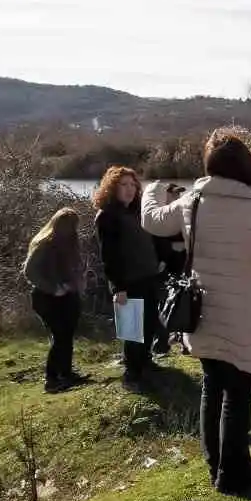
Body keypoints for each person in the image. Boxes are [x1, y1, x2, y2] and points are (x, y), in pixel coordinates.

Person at [142, 131, 251, 494]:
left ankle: (218, 466)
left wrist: (152, 188)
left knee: (213, 387)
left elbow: (151, 220)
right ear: (247, 165)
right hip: (248, 314)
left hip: (204, 310)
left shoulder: (192, 202)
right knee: (239, 394)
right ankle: (233, 473)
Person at [93, 165, 164, 386]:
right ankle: (132, 373)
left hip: (148, 277)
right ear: (112, 187)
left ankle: (145, 361)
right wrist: (118, 288)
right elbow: (109, 256)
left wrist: (160, 260)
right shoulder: (106, 216)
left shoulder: (138, 211)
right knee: (132, 330)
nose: (129, 189)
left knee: (150, 323)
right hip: (127, 281)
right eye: (123, 185)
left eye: (133, 184)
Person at [22, 207, 88, 393]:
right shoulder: (44, 244)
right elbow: (30, 272)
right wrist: (54, 288)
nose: (72, 229)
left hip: (69, 296)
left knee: (67, 335)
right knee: (59, 336)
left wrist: (78, 281)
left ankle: (66, 374)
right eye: (69, 225)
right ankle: (51, 379)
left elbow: (74, 267)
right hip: (47, 298)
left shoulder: (72, 243)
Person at [150, 181, 189, 354]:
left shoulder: (182, 212)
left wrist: (180, 246)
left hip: (183, 266)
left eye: (178, 194)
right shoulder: (157, 215)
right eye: (173, 193)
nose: (177, 197)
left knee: (185, 303)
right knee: (164, 304)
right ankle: (161, 342)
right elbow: (156, 241)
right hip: (163, 268)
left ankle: (183, 341)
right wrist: (169, 251)